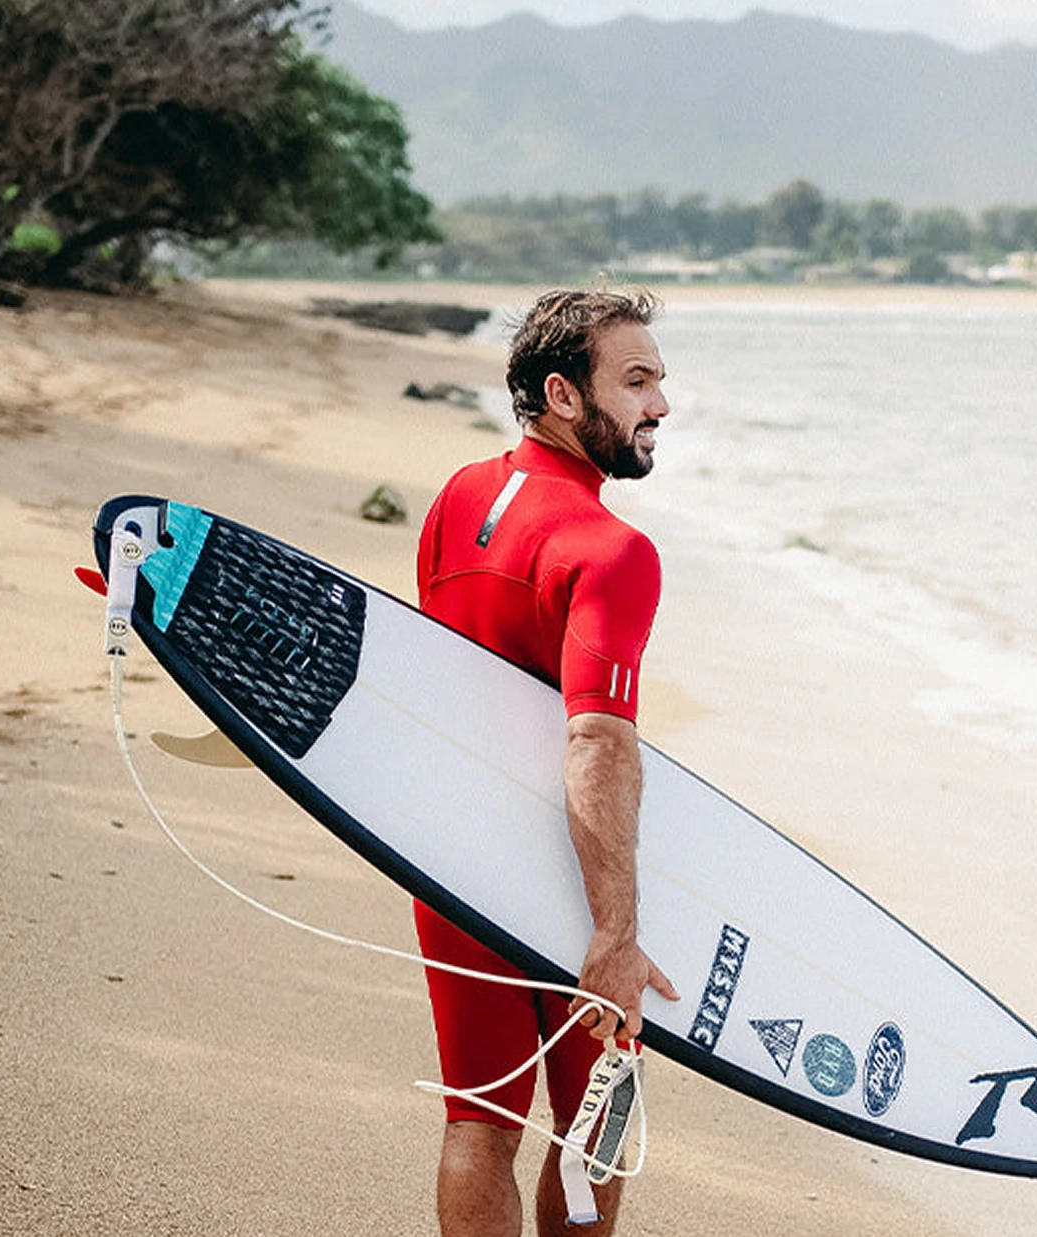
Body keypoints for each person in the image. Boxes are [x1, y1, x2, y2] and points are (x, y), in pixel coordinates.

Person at [413, 288, 679, 1237]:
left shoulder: (458, 497)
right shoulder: (611, 550)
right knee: (593, 1122)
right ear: (564, 395)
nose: (660, 405)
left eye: (659, 381)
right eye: (636, 381)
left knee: (478, 1119)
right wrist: (615, 931)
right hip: (563, 874)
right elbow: (596, 737)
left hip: (449, 859)